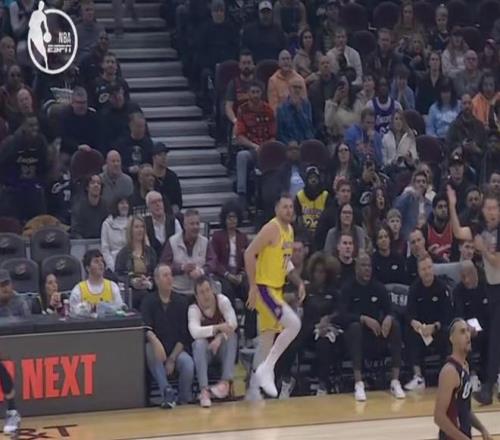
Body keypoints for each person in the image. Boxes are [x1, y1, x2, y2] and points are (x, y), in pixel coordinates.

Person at [244, 194, 304, 399]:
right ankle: (267, 368)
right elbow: (249, 253)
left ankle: (253, 389)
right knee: (294, 324)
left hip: (276, 289)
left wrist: (299, 282)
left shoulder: (290, 231)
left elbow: (285, 263)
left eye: (291, 207)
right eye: (284, 207)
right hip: (264, 289)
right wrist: (252, 286)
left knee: (266, 343)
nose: (289, 210)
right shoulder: (271, 228)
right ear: (276, 208)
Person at [448, 185, 500, 405]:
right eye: (488, 208)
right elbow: (458, 232)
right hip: (492, 288)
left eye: (495, 208)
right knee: (494, 338)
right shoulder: (480, 228)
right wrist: (452, 205)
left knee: (495, 340)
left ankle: (488, 389)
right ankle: (490, 386)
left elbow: (497, 262)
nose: (491, 212)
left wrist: (483, 249)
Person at [341, 253, 405, 401]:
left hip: (376, 335)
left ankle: (395, 381)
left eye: (369, 266)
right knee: (355, 328)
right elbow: (342, 316)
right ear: (356, 268)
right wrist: (363, 319)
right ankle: (358, 383)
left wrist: (389, 317)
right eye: (363, 265)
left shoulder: (378, 287)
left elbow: (391, 310)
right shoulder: (348, 288)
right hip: (355, 337)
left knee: (395, 325)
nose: (367, 269)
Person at [141, 264, 194, 408]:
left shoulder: (181, 302)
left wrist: (172, 358)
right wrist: (156, 342)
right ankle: (167, 392)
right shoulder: (148, 301)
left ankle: (183, 399)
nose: (169, 278)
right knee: (149, 349)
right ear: (157, 280)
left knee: (188, 364)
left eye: (170, 275)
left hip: (176, 350)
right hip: (156, 350)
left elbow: (184, 336)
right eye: (165, 275)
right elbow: (146, 329)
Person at [434, 318, 493, 440]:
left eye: (467, 331)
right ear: (451, 338)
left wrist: (482, 429)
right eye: (462, 332)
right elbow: (439, 417)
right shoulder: (449, 371)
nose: (467, 335)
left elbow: (464, 409)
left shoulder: (465, 366)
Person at [405, 254, 453, 391]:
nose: (427, 272)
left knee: (448, 333)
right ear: (419, 272)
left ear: (433, 268)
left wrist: (435, 326)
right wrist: (414, 323)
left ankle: (446, 376)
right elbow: (409, 313)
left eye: (429, 267)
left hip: (437, 328)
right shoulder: (414, 288)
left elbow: (448, 315)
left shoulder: (442, 288)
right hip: (421, 330)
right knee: (409, 333)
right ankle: (418, 376)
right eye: (423, 269)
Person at [188, 276, 238, 408]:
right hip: (206, 352)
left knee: (232, 337)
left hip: (222, 349)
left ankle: (225, 383)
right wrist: (217, 328)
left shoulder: (222, 301)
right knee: (198, 343)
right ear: (196, 296)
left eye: (207, 290)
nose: (206, 295)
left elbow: (233, 323)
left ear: (212, 290)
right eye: (202, 292)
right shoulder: (194, 309)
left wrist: (220, 337)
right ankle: (204, 390)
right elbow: (195, 332)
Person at [235, 80, 276, 209]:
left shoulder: (268, 110)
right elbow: (239, 137)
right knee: (241, 156)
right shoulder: (242, 110)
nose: (255, 95)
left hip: (267, 151)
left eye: (257, 92)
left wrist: (265, 148)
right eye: (252, 92)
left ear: (261, 93)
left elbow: (273, 136)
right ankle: (242, 195)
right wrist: (254, 146)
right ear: (248, 94)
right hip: (251, 149)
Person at [161, 209, 216, 296]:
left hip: (200, 291)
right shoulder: (172, 241)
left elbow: (213, 262)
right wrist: (181, 268)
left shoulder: (205, 242)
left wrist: (201, 271)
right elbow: (164, 265)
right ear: (185, 226)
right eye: (192, 224)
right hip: (177, 290)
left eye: (197, 223)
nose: (195, 227)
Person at [453, 261, 489, 390]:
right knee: (462, 335)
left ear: (475, 273)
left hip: (487, 326)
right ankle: (472, 375)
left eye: (468, 275)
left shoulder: (486, 286)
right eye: (463, 277)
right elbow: (459, 315)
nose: (466, 280)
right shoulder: (458, 291)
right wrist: (468, 327)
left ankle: (493, 374)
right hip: (468, 328)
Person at [211, 202, 249, 306]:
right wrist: (227, 274)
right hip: (223, 276)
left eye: (234, 217)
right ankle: (231, 316)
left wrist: (242, 274)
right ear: (224, 219)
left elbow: (248, 260)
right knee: (227, 290)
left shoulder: (243, 237)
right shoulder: (217, 236)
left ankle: (250, 317)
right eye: (229, 217)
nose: (232, 220)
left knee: (249, 289)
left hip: (239, 275)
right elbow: (214, 261)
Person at [115, 216, 157, 309]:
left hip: (149, 291)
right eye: (136, 227)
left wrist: (149, 283)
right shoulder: (123, 253)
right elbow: (118, 275)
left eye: (142, 227)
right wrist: (132, 282)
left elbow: (156, 273)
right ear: (131, 230)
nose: (140, 230)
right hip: (131, 292)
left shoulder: (150, 252)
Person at [69, 249, 124, 315]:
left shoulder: (112, 287)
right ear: (88, 268)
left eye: (102, 261)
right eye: (96, 261)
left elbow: (120, 309)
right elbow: (73, 313)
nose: (101, 264)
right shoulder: (78, 290)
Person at [60, 87, 100, 156]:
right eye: (78, 103)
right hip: (70, 151)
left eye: (84, 102)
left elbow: (99, 138)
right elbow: (64, 139)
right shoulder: (64, 116)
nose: (82, 106)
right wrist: (78, 147)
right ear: (72, 103)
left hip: (91, 151)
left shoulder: (94, 117)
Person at [324, 76, 363, 142]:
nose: (343, 87)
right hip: (337, 140)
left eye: (344, 84)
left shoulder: (357, 102)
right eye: (340, 84)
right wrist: (335, 101)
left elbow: (362, 120)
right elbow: (328, 123)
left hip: (355, 139)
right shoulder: (329, 103)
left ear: (349, 85)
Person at [394, 170, 432, 240]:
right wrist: (407, 195)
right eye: (418, 181)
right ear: (413, 184)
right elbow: (396, 209)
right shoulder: (407, 199)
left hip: (425, 239)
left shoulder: (430, 204)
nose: (421, 184)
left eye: (423, 182)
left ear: (427, 185)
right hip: (407, 239)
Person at [144, 190, 182, 258]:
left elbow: (180, 244)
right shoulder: (144, 224)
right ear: (148, 207)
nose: (158, 204)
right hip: (152, 261)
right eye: (153, 202)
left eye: (160, 201)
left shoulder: (174, 221)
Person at [276, 78, 314, 145]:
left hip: (305, 142)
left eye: (299, 88)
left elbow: (308, 126)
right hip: (288, 144)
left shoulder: (306, 104)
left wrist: (299, 110)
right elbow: (280, 132)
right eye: (295, 87)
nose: (297, 90)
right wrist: (288, 143)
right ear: (289, 88)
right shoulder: (281, 108)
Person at [294, 166, 329, 239]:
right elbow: (298, 219)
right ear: (306, 180)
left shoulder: (325, 195)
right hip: (304, 234)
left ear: (319, 179)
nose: (313, 180)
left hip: (322, 233)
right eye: (310, 178)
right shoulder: (299, 195)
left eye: (315, 178)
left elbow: (328, 218)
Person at [71, 174, 109, 239]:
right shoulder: (79, 207)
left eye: (98, 183)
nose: (96, 185)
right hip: (84, 241)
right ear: (87, 187)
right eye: (92, 183)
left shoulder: (106, 206)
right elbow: (75, 231)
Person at [224, 50, 255, 128]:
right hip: (239, 122)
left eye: (249, 63)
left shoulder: (259, 84)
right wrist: (235, 121)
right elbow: (228, 107)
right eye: (244, 63)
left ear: (253, 65)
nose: (246, 66)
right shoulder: (233, 84)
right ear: (239, 65)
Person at [116, 112, 153, 176]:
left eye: (143, 126)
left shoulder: (148, 143)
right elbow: (117, 165)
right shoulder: (121, 144)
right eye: (138, 126)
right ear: (131, 126)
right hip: (125, 176)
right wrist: (128, 169)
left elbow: (152, 164)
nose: (141, 129)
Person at [101, 196, 130, 272]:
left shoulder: (132, 222)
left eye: (126, 203)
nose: (125, 206)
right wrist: (112, 266)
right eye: (122, 203)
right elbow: (105, 249)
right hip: (113, 263)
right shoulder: (107, 224)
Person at [151, 142, 183, 214]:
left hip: (170, 213)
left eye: (165, 155)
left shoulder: (172, 177)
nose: (164, 158)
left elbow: (178, 202)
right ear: (153, 158)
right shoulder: (149, 176)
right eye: (160, 155)